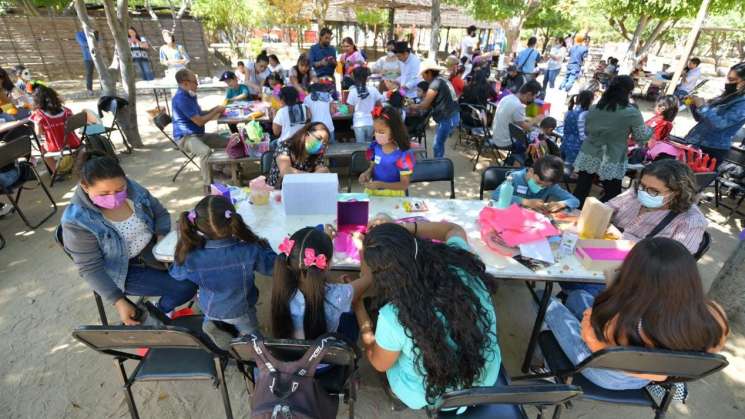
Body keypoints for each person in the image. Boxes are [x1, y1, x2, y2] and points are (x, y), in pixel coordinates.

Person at [545, 237, 728, 391]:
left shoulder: (626, 319)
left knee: (547, 302)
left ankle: (544, 366)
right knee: (578, 296)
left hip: (606, 373)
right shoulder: (715, 314)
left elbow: (593, 342)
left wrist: (588, 318)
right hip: (651, 377)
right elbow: (704, 356)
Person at [353, 220, 501, 410]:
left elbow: (378, 363)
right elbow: (453, 229)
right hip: (483, 379)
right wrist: (405, 229)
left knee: (384, 352)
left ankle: (397, 398)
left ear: (382, 277)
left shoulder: (393, 317)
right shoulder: (463, 265)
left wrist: (358, 305)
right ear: (417, 245)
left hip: (433, 396)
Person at [61, 153, 197, 325]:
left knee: (204, 266)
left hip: (154, 250)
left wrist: (161, 237)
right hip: (123, 270)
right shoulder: (76, 221)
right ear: (85, 187)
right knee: (186, 285)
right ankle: (158, 311)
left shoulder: (131, 188)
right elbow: (90, 269)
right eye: (104, 193)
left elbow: (160, 213)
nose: (114, 197)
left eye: (119, 190)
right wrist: (118, 301)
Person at [170, 195, 276, 348]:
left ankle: (214, 326)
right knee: (254, 341)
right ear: (233, 220)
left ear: (197, 225)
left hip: (210, 307)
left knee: (214, 314)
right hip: (240, 310)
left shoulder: (190, 255)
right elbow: (273, 268)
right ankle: (257, 352)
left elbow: (176, 274)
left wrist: (183, 243)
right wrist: (266, 247)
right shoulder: (249, 250)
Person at [271, 227, 372, 340]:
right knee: (350, 315)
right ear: (328, 265)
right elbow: (368, 278)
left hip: (295, 354)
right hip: (327, 355)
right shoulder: (337, 295)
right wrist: (361, 247)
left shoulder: (283, 291)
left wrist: (325, 240)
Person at [573, 76, 652, 206]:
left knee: (581, 188)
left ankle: (576, 214)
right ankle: (596, 214)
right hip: (612, 155)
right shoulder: (631, 112)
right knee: (612, 194)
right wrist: (650, 129)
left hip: (589, 151)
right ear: (629, 92)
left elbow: (587, 131)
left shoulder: (594, 108)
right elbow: (641, 136)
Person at [170, 69, 227, 186]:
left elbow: (200, 114)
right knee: (205, 152)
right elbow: (199, 122)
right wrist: (216, 110)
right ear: (185, 83)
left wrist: (215, 109)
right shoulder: (181, 98)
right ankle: (208, 185)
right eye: (195, 82)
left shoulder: (190, 95)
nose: (197, 84)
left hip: (197, 135)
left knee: (229, 141)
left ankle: (216, 170)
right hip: (185, 138)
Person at [684, 62, 745, 167]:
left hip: (712, 149)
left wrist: (703, 108)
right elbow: (702, 120)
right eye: (728, 78)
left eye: (732, 80)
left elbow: (719, 125)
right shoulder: (727, 96)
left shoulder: (742, 103)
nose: (728, 83)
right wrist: (694, 105)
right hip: (696, 143)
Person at [358, 106, 415, 196]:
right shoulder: (374, 146)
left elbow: (404, 184)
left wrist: (381, 185)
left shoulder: (404, 154)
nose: (377, 135)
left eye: (381, 132)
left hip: (393, 196)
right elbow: (373, 166)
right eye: (375, 131)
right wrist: (367, 173)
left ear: (394, 131)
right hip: (373, 193)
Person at [408, 62, 460, 158]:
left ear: (429, 73)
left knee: (437, 145)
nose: (423, 77)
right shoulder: (442, 80)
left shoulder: (435, 84)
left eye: (423, 74)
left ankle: (439, 166)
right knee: (439, 144)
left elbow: (425, 105)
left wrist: (412, 106)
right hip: (452, 116)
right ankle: (439, 162)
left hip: (448, 118)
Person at [491, 155, 579, 211]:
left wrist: (561, 204)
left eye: (545, 186)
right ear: (531, 171)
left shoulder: (552, 186)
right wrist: (524, 201)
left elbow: (575, 201)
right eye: (538, 182)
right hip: (508, 216)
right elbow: (496, 194)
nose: (540, 187)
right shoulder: (515, 177)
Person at [30, 85, 82, 172]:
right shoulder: (66, 110)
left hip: (56, 146)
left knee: (42, 150)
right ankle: (74, 164)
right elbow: (74, 126)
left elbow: (38, 133)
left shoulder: (39, 115)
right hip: (73, 142)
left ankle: (56, 172)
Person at [490, 80, 543, 161]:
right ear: (528, 94)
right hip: (503, 142)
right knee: (529, 144)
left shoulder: (507, 98)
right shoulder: (518, 106)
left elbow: (514, 118)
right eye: (534, 97)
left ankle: (512, 161)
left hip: (495, 136)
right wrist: (536, 119)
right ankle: (515, 164)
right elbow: (527, 128)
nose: (533, 99)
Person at [267, 122, 330, 188]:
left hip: (300, 191)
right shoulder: (285, 146)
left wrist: (322, 172)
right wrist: (313, 176)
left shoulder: (317, 153)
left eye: (324, 143)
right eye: (318, 138)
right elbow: (285, 171)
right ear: (306, 134)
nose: (321, 144)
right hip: (276, 192)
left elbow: (320, 170)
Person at [347, 66, 382, 143]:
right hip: (371, 122)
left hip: (358, 123)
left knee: (360, 147)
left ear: (355, 78)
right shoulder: (373, 90)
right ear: (366, 78)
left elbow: (350, 110)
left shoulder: (352, 92)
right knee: (369, 144)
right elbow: (380, 106)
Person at [560, 90, 594, 166]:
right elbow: (582, 136)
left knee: (561, 168)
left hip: (565, 144)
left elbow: (565, 129)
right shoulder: (586, 114)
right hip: (576, 149)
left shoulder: (568, 112)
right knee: (570, 172)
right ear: (590, 101)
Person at [75, 30, 97, 95]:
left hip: (98, 57)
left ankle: (103, 89)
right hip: (87, 57)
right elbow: (83, 43)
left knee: (102, 73)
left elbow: (98, 42)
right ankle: (89, 89)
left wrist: (91, 43)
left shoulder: (95, 32)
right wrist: (92, 43)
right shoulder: (79, 34)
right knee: (89, 74)